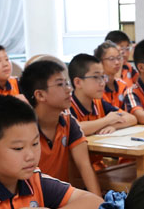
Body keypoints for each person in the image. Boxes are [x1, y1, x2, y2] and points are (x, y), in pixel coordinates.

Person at [20, 60, 103, 193]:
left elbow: (84, 166)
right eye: (60, 84)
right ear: (40, 95)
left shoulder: (69, 122)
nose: (69, 89)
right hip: (31, 198)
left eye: (67, 83)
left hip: (62, 197)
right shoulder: (22, 129)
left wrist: (99, 202)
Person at [67, 53, 137, 136]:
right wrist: (106, 120)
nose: (102, 83)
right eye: (96, 77)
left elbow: (132, 118)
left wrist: (113, 126)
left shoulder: (98, 103)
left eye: (103, 77)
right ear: (78, 82)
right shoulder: (66, 105)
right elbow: (75, 128)